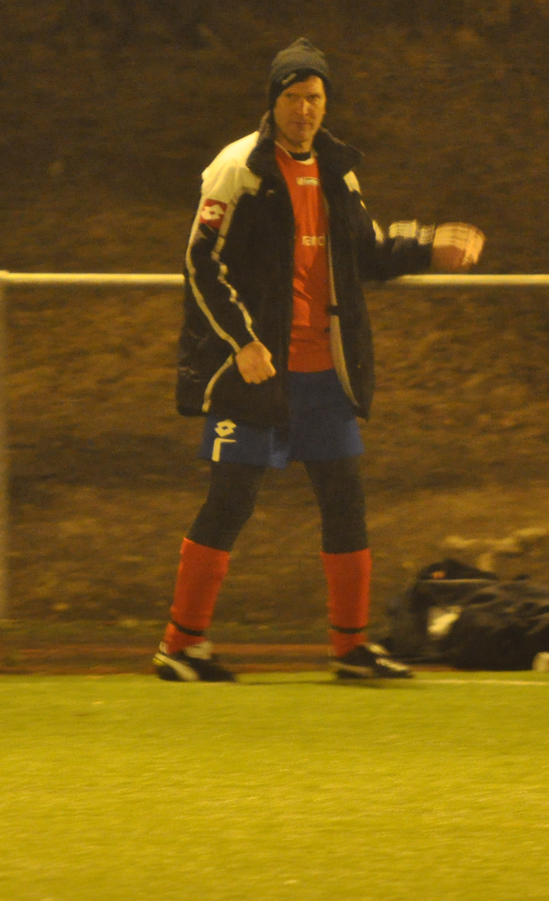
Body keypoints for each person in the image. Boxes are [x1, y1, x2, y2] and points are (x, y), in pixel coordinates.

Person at [157, 38, 485, 682]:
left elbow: (364, 254)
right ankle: (179, 646)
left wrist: (427, 248)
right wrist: (244, 343)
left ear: (326, 104)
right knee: (230, 501)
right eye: (292, 96)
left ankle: (350, 649)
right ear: (273, 101)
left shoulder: (337, 170)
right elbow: (200, 263)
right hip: (258, 372)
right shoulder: (239, 167)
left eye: (313, 97)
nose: (303, 109)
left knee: (345, 501)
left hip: (323, 372)